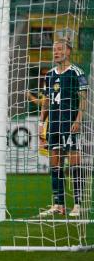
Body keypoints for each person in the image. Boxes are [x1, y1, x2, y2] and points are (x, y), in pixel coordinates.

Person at [39, 39, 88, 218]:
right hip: (54, 125)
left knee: (75, 162)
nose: (56, 52)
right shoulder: (49, 74)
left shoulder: (77, 73)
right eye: (54, 49)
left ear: (68, 51)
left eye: (60, 49)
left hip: (70, 124)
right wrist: (41, 123)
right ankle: (58, 204)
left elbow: (83, 99)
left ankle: (78, 204)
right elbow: (46, 101)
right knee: (55, 162)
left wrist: (79, 119)